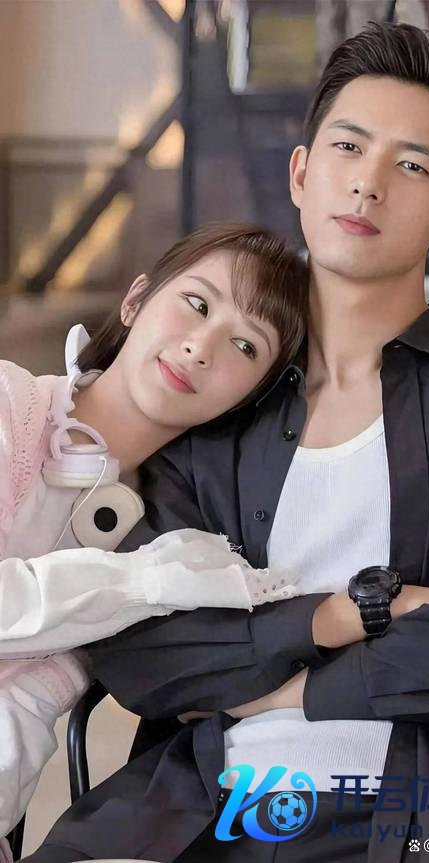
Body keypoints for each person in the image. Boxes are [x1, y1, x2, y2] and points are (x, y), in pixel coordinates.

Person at [21, 20, 429, 863]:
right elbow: (142, 646)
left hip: (414, 813)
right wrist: (347, 614)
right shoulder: (219, 388)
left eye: (412, 166)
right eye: (349, 147)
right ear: (302, 173)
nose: (368, 184)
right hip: (199, 807)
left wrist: (293, 692)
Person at [0, 223, 308, 848]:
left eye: (245, 346)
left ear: (250, 398)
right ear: (136, 299)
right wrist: (143, 583)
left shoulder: (173, 534)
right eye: (196, 304)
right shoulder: (9, 404)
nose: (201, 348)